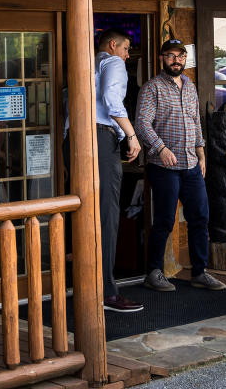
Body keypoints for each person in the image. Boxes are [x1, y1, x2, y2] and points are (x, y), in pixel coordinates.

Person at [136, 39, 226, 293]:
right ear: (162, 58)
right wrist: (161, 149)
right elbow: (142, 124)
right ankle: (153, 272)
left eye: (180, 55)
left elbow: (195, 121)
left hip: (191, 164)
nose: (176, 60)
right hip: (163, 165)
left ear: (186, 58)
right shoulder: (151, 88)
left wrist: (201, 153)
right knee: (164, 219)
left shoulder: (189, 86)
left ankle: (200, 272)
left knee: (200, 216)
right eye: (171, 55)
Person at [91, 28, 144, 313]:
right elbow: (112, 102)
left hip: (76, 138)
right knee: (108, 212)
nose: (127, 54)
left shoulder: (87, 62)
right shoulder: (113, 63)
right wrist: (132, 135)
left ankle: (92, 285)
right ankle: (108, 292)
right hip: (101, 137)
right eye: (126, 48)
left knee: (89, 210)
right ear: (113, 45)